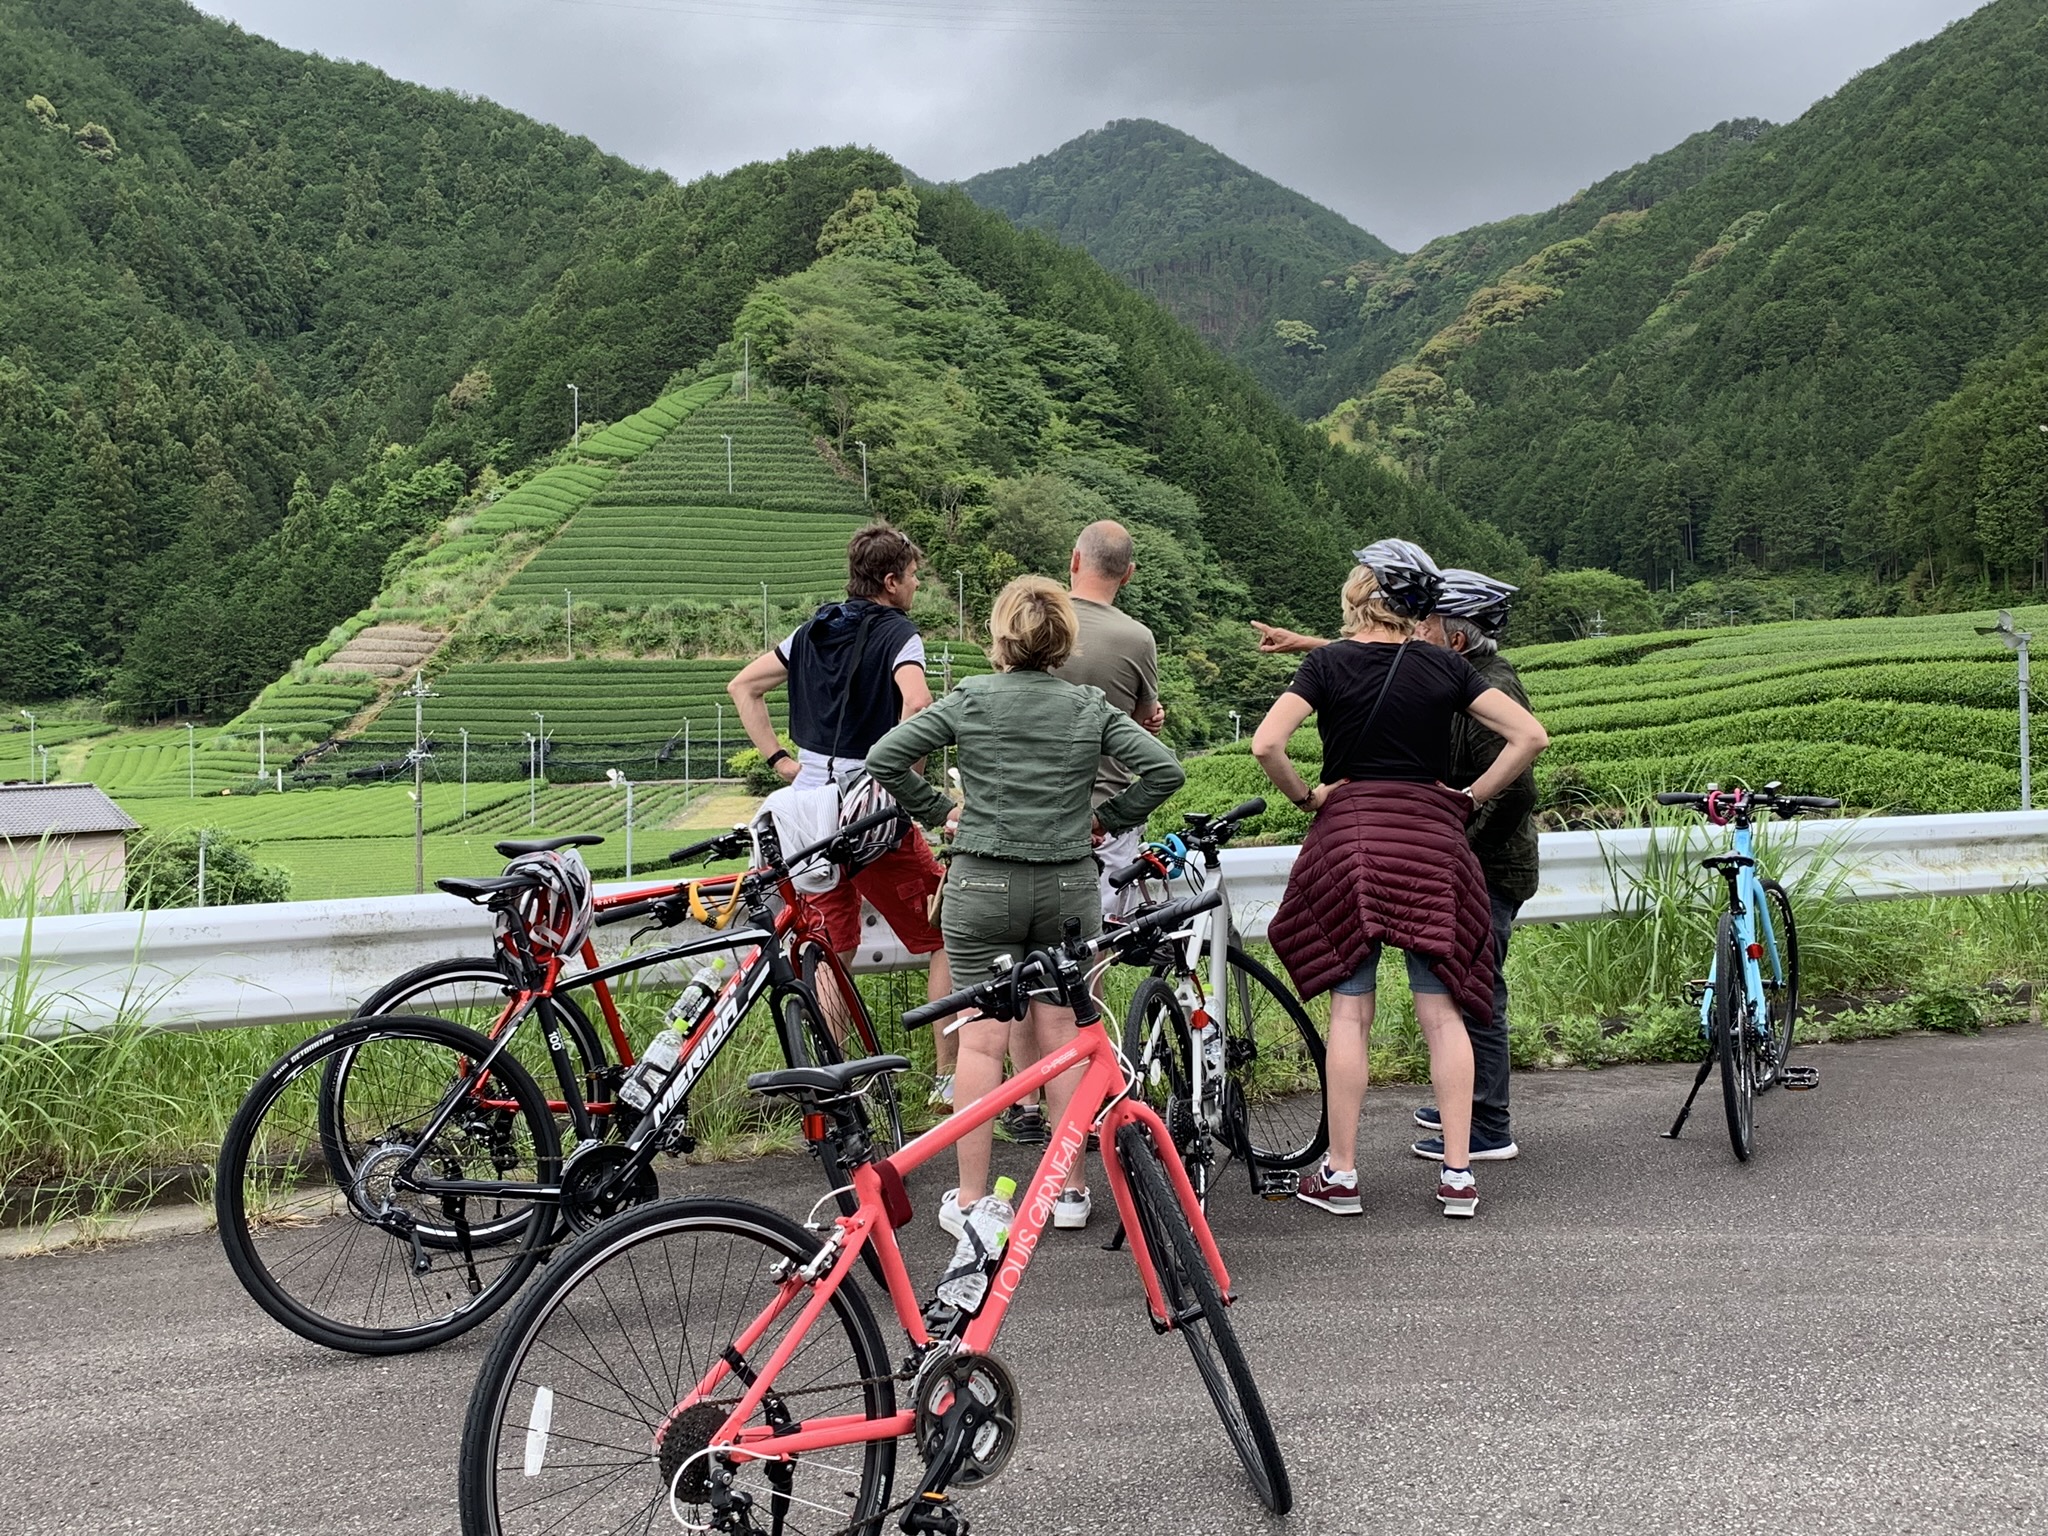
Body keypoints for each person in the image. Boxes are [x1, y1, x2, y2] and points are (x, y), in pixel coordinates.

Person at [867, 576, 1183, 1236]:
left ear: (1000, 637)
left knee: (981, 1043)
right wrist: (1105, 820)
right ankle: (1070, 1190)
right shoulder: (1087, 706)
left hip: (982, 885)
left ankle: (971, 1200)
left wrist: (942, 810)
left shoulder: (972, 698)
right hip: (1067, 885)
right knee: (1064, 1036)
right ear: (1064, 640)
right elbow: (1164, 771)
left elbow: (886, 758)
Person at [1249, 541, 1547, 1220]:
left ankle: (1342, 1175)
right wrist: (1467, 797)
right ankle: (1459, 1177)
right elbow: (1530, 737)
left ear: (1360, 594)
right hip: (1431, 844)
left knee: (1350, 1013)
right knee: (1443, 1015)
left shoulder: (1326, 664)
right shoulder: (1446, 665)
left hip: (1350, 840)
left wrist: (1307, 797)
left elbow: (1266, 743)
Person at [727, 523, 955, 1101]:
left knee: (831, 948)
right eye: (914, 576)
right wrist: (898, 776)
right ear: (890, 580)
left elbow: (743, 687)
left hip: (807, 810)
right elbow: (918, 702)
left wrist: (780, 760)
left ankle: (831, 1088)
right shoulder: (899, 633)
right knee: (947, 931)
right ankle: (949, 1080)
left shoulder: (813, 630)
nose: (918, 585)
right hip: (869, 814)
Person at [1052, 519, 1167, 914]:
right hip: (1104, 816)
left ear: (1075, 559)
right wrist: (1149, 718)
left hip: (1030, 808)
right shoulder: (1137, 638)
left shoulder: (1035, 623)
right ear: (1128, 574)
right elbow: (1144, 721)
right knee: (1097, 939)